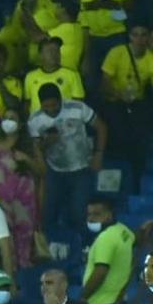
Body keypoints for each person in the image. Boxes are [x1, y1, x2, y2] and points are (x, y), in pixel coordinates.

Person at [28, 83, 107, 235]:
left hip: (82, 168)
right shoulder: (35, 120)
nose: (51, 109)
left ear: (61, 100)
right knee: (48, 213)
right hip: (55, 171)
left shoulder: (77, 108)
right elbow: (38, 148)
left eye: (54, 105)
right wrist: (47, 143)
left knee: (79, 213)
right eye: (46, 106)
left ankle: (82, 249)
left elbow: (102, 127)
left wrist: (98, 154)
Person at [0, 105, 43, 268]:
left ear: (20, 124)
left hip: (24, 198)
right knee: (3, 235)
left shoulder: (29, 144)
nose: (8, 121)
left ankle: (24, 275)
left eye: (12, 118)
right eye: (5, 118)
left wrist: (26, 159)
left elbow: (42, 171)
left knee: (24, 235)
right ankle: (8, 273)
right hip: (0, 198)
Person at [82, 197, 136, 304]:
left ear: (109, 215)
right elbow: (134, 241)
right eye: (89, 214)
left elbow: (101, 271)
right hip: (117, 300)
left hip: (100, 303)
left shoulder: (105, 238)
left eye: (97, 214)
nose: (91, 219)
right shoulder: (123, 230)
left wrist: (83, 296)